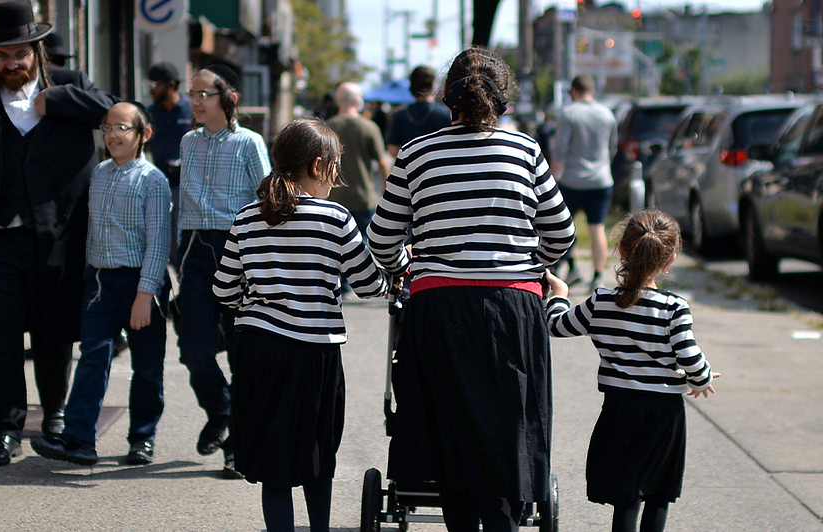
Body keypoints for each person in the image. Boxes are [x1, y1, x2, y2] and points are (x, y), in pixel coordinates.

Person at [367, 46, 576, 531]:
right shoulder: (525, 151)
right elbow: (562, 234)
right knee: (507, 426)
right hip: (512, 306)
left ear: (448, 99)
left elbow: (382, 239)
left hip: (438, 307)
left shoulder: (418, 153)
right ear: (504, 101)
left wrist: (410, 266)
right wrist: (530, 269)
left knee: (448, 428)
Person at [0, 0, 116, 467]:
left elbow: (113, 111)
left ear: (37, 52)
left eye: (20, 54)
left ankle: (54, 414)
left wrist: (52, 100)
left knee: (54, 329)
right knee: (0, 336)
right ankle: (4, 430)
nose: (11, 64)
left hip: (56, 235)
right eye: (2, 55)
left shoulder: (71, 86)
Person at [213, 119, 391, 532]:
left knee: (273, 462)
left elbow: (223, 289)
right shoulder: (335, 218)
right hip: (315, 352)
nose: (337, 177)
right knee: (317, 454)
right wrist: (391, 278)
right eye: (335, 166)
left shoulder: (246, 217)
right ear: (317, 165)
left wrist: (258, 302)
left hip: (260, 350)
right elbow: (368, 285)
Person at [544, 209, 718, 532]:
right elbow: (690, 357)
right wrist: (702, 378)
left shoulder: (601, 303)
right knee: (658, 495)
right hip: (664, 415)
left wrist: (560, 296)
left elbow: (556, 326)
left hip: (619, 410)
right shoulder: (674, 309)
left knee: (627, 495)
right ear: (669, 260)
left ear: (621, 250)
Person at [31, 102, 171, 466]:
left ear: (143, 135)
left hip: (142, 282)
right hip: (99, 282)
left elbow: (158, 243)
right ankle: (79, 439)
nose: (112, 135)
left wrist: (145, 294)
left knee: (147, 367)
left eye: (122, 128)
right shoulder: (100, 174)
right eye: (107, 127)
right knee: (93, 358)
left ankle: (142, 438)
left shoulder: (152, 181)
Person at [176, 64, 270, 479]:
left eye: (203, 94)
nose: (194, 101)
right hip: (196, 248)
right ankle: (221, 410)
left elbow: (268, 194)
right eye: (191, 94)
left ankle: (237, 446)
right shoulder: (188, 141)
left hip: (238, 247)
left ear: (227, 98)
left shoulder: (249, 143)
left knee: (240, 351)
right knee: (193, 348)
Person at [549, 74, 617, 291]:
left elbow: (560, 151)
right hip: (601, 180)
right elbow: (612, 147)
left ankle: (569, 267)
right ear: (592, 90)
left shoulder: (568, 114)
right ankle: (597, 276)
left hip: (572, 180)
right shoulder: (607, 114)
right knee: (597, 229)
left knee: (563, 227)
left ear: (574, 92)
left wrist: (551, 178)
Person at [327, 82, 390, 235]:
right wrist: (386, 189)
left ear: (338, 101)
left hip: (335, 198)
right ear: (357, 101)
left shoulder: (327, 128)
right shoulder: (369, 127)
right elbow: (382, 161)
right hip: (364, 198)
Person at [146, 62, 191, 263]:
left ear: (171, 85)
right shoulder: (150, 113)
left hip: (186, 184)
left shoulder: (190, 111)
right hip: (159, 184)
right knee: (163, 236)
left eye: (156, 84)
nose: (151, 89)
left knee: (182, 235)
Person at [385, 65, 451, 157]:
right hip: (439, 167)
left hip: (410, 168)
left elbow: (392, 148)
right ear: (433, 85)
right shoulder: (446, 114)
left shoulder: (400, 115)